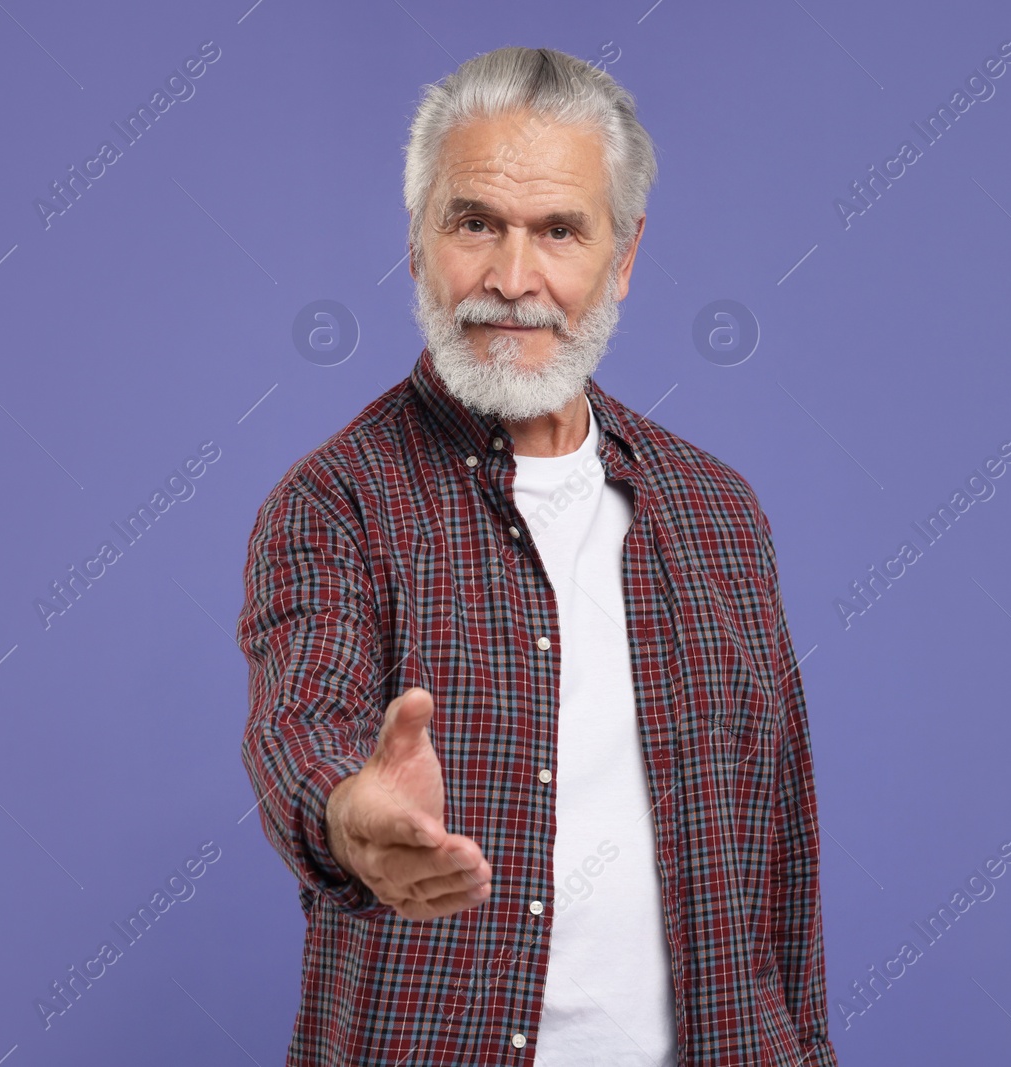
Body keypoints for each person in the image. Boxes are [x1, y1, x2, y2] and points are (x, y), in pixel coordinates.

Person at [239, 45, 837, 1067]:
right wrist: (351, 813)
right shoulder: (335, 501)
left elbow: (779, 855)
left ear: (624, 255)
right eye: (475, 222)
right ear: (420, 240)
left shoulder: (719, 512)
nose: (512, 280)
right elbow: (303, 723)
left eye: (559, 230)